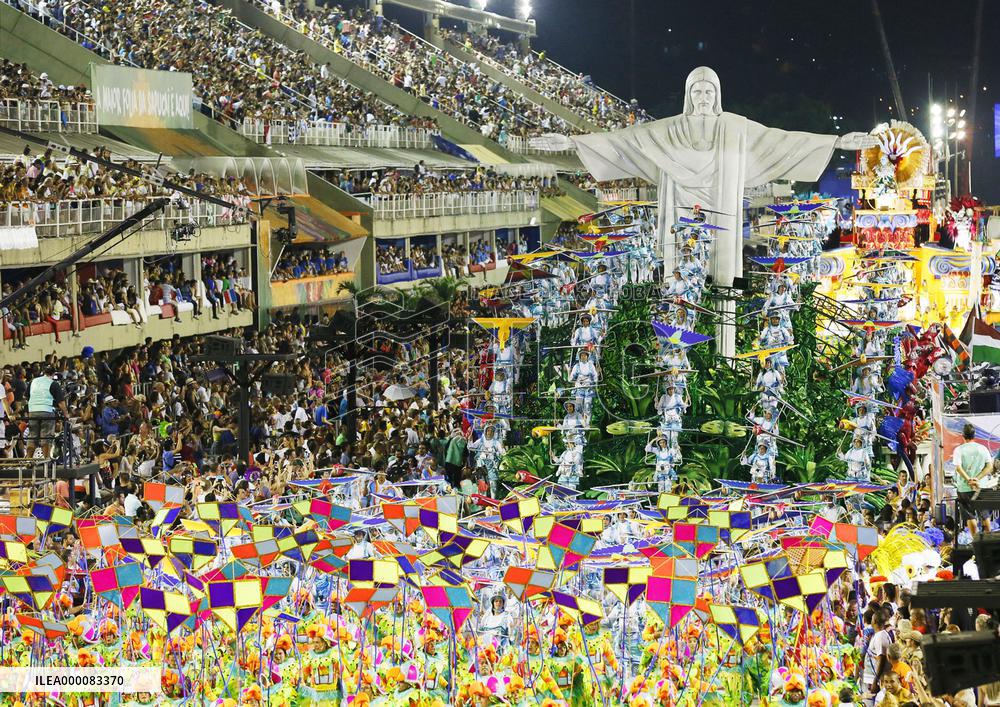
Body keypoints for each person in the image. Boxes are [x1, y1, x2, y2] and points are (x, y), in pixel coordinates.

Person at [952, 423, 992, 532]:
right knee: (985, 514)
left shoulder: (958, 450)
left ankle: (975, 540)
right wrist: (977, 479)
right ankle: (989, 539)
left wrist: (969, 480)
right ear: (974, 435)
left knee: (969, 515)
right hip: (981, 487)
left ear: (963, 435)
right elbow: (989, 466)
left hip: (964, 489)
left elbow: (958, 468)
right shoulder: (983, 449)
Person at [26, 364, 68, 458]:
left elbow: (26, 396)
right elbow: (61, 402)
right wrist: (66, 414)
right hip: (46, 411)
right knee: (46, 437)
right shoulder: (53, 383)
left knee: (32, 436)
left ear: (43, 372)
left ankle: (28, 460)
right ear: (53, 373)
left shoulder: (33, 381)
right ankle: (46, 460)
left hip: (32, 411)